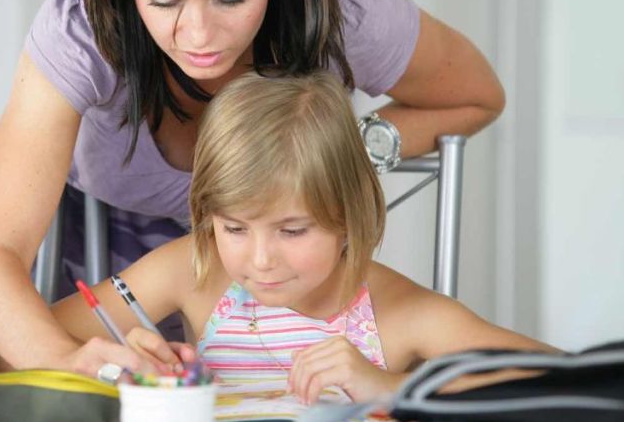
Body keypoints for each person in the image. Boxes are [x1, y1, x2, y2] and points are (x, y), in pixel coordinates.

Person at [0, 0, 507, 375]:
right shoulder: (81, 23)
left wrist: (327, 156)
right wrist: (65, 361)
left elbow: (474, 95)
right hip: (109, 249)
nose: (198, 35)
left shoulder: (343, 2)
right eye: (163, 1)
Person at [49, 71, 554, 401]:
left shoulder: (399, 313)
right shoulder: (196, 267)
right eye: (234, 227)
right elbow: (18, 352)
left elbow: (576, 381)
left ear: (349, 216)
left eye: (292, 230)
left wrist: (391, 387)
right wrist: (121, 364)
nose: (261, 259)